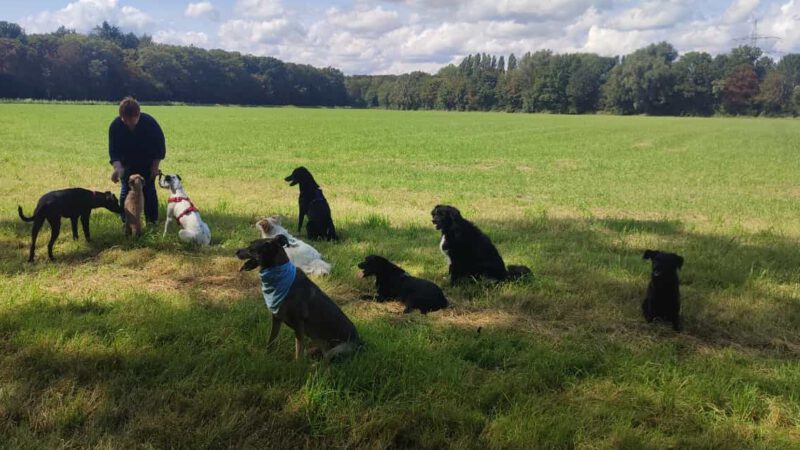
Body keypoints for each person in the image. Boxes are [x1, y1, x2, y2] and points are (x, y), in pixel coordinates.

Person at [108, 97, 165, 226]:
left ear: (138, 114)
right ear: (121, 116)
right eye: (125, 121)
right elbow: (114, 151)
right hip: (126, 165)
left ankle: (152, 222)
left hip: (147, 164)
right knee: (125, 191)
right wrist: (117, 169)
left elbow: (160, 148)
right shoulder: (115, 126)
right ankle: (126, 222)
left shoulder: (150, 124)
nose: (128, 124)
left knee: (149, 191)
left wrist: (155, 167)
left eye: (132, 121)